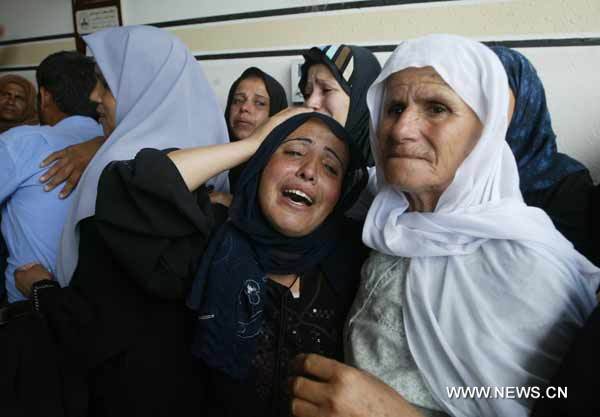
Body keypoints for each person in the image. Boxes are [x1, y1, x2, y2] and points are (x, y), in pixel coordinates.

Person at [289, 34, 600, 417]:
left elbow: (565, 401)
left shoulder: (527, 266)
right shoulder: (391, 224)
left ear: (484, 133)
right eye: (394, 107)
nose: (401, 129)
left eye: (436, 108)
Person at [2, 25, 230, 417]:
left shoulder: (119, 191)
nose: (94, 98)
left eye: (106, 85)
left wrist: (39, 286)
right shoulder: (206, 175)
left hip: (121, 385)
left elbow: (90, 327)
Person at [174, 111, 368, 417]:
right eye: (293, 152)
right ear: (262, 161)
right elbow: (140, 185)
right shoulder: (206, 238)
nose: (309, 171)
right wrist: (250, 144)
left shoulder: (355, 262)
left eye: (330, 167)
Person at [0, 52, 101, 303]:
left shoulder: (22, 143)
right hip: (104, 305)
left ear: (44, 97)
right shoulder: (115, 141)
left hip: (33, 307)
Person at [491, 46, 596, 265]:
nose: (483, 107)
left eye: (494, 93)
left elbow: (568, 269)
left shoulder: (564, 181)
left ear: (525, 100)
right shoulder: (441, 167)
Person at [299, 44, 381, 167]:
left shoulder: (386, 173)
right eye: (307, 93)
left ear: (362, 97)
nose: (310, 103)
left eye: (326, 90)